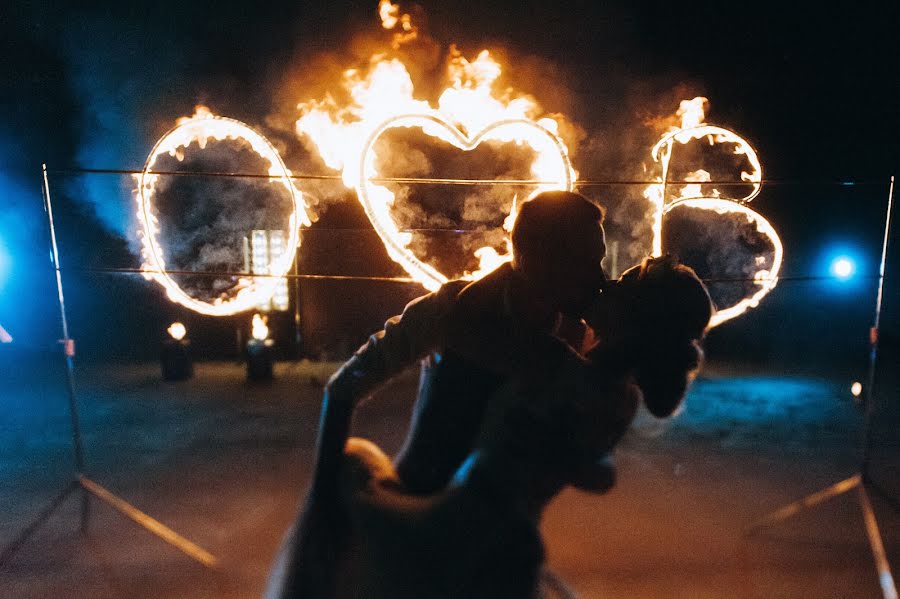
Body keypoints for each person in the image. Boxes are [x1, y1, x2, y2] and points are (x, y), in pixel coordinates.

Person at [268, 256, 714, 598]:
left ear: (633, 318)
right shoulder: (610, 387)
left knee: (351, 467)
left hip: (465, 525)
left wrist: (508, 282)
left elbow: (465, 324)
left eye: (621, 280)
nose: (604, 279)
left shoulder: (549, 358)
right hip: (501, 525)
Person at [268, 191, 609, 597]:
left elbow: (593, 464)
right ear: (541, 258)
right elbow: (344, 387)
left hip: (487, 544)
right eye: (588, 262)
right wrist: (326, 504)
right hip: (409, 533)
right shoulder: (453, 313)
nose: (600, 279)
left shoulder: (566, 340)